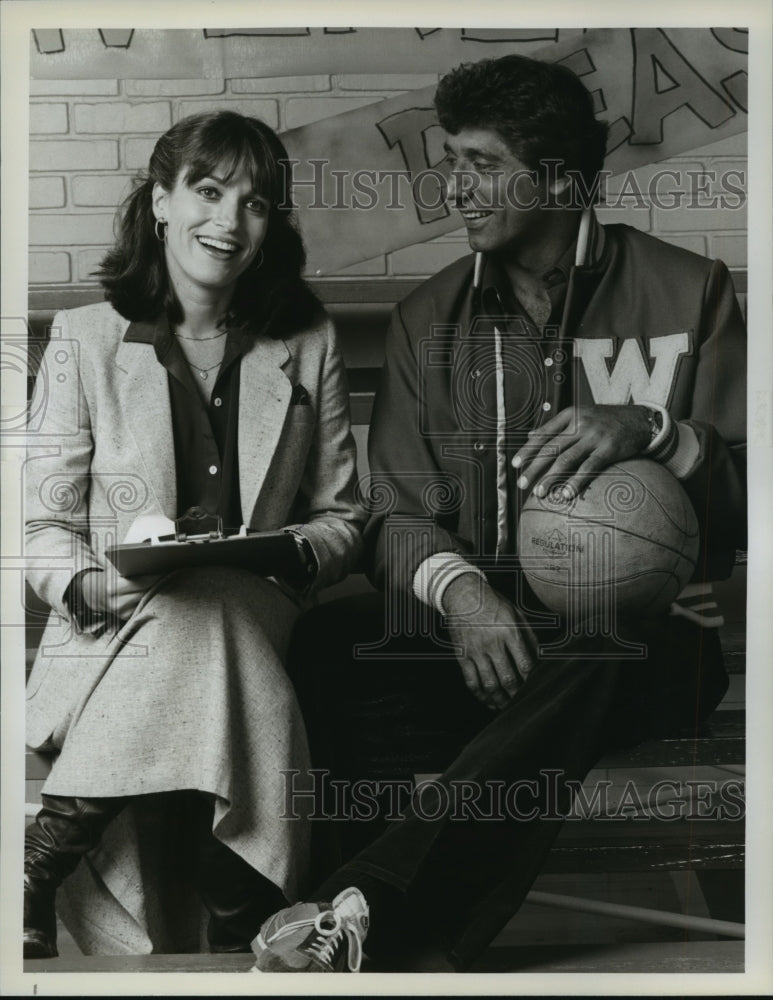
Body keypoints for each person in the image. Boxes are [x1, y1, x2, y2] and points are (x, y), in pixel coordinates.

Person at [250, 55, 747, 973]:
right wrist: (462, 597)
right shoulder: (424, 317)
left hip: (645, 636)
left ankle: (365, 912)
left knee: (605, 644)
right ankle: (327, 903)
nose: (453, 187)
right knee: (329, 645)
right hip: (480, 629)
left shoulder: (691, 290)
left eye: (479, 164)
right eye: (449, 162)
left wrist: (657, 430)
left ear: (558, 178)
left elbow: (744, 508)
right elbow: (393, 509)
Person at [23, 110, 364, 958]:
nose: (229, 221)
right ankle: (245, 912)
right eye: (208, 192)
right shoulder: (83, 339)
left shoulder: (306, 341)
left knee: (210, 605)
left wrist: (288, 552)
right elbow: (41, 524)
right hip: (113, 628)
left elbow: (343, 518)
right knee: (192, 622)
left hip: (252, 611)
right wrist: (89, 584)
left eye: (254, 203)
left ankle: (40, 861)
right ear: (161, 202)